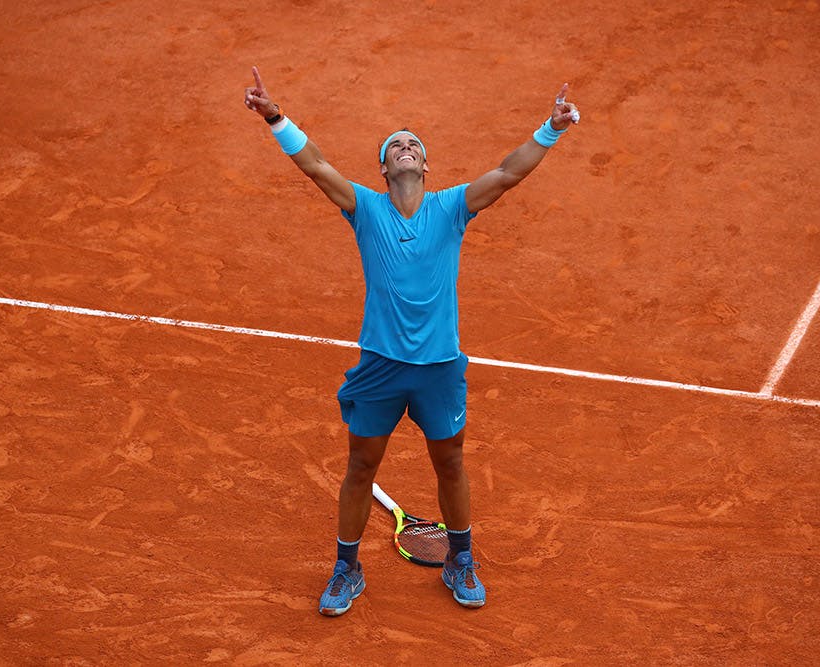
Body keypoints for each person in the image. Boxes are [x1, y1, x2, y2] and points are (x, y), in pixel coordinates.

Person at [243, 66, 579, 616]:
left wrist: (552, 128)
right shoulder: (364, 208)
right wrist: (274, 116)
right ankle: (346, 569)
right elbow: (315, 165)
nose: (405, 147)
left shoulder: (452, 207)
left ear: (425, 165)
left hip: (439, 366)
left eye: (414, 145)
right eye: (395, 144)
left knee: (450, 461)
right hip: (381, 365)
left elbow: (507, 173)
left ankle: (460, 558)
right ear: (384, 167)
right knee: (360, 467)